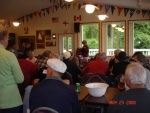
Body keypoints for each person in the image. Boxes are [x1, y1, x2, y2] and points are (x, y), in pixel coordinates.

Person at [0, 28, 24, 113]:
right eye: (8, 37)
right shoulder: (9, 55)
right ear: (5, 37)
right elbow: (20, 79)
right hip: (9, 100)